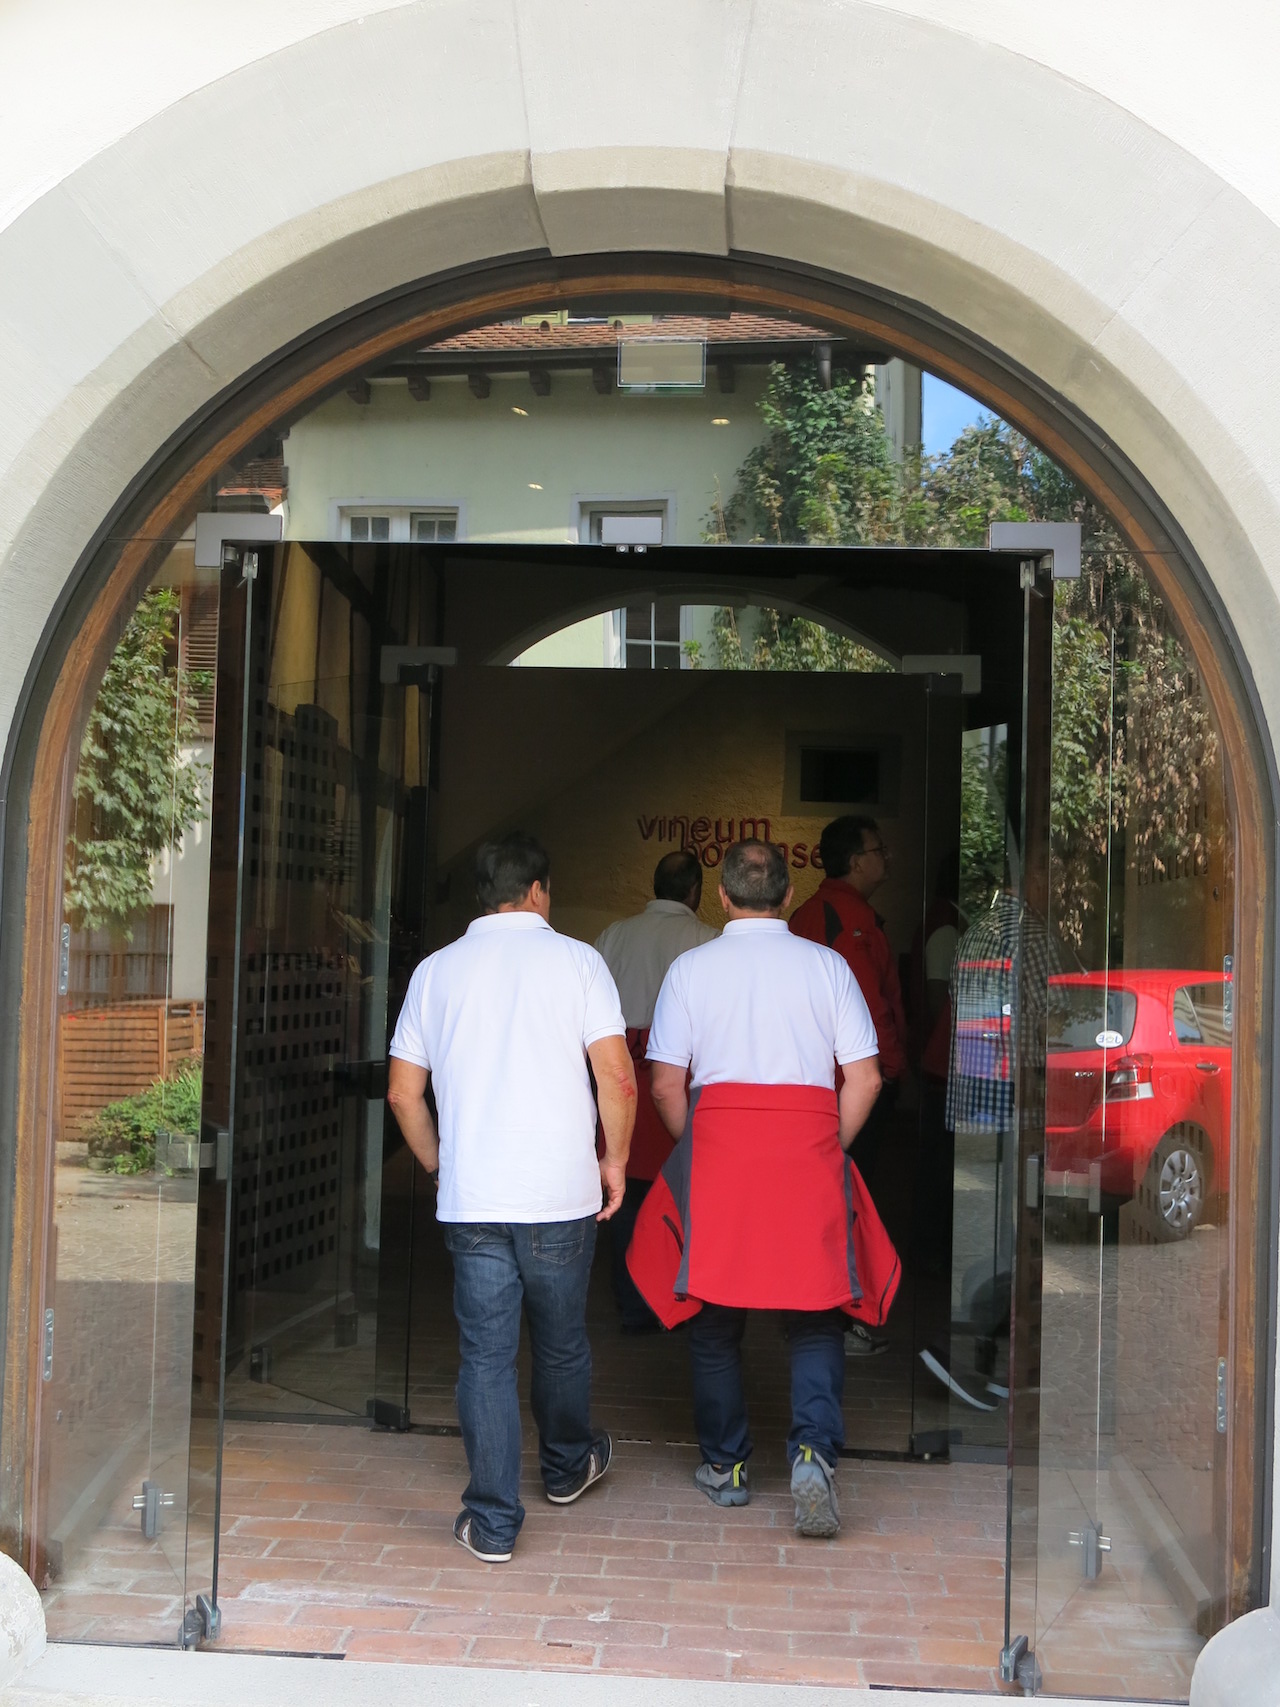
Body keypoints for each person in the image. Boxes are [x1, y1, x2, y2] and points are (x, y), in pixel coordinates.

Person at [626, 841, 897, 1539]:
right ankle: (813, 1455)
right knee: (815, 1314)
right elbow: (865, 1078)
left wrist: (699, 1147)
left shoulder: (691, 969)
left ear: (721, 897)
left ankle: (727, 1466)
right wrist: (826, 1146)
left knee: (713, 1315)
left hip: (719, 1150)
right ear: (788, 894)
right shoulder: (827, 966)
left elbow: (664, 1083)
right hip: (807, 1147)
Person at [386, 831, 636, 1563]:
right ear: (537, 891)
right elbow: (617, 1077)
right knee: (561, 1341)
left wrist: (440, 1163)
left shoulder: (435, 971)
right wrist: (615, 1160)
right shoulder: (579, 962)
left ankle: (493, 1522)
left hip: (475, 1199)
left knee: (486, 1357)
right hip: (559, 1193)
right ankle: (565, 1468)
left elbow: (403, 1093)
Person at [788, 815, 908, 1356]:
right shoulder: (847, 919)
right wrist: (891, 1067)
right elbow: (868, 1010)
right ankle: (833, 1319)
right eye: (879, 850)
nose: (887, 859)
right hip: (851, 1087)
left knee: (828, 1201)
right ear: (857, 861)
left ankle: (821, 1314)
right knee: (845, 1204)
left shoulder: (812, 913)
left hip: (820, 1084)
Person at [594, 850, 718, 1330]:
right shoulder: (707, 939)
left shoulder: (614, 935)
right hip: (679, 1075)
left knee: (623, 1187)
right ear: (695, 891)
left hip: (620, 1069)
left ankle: (631, 1304)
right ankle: (674, 1301)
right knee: (681, 1192)